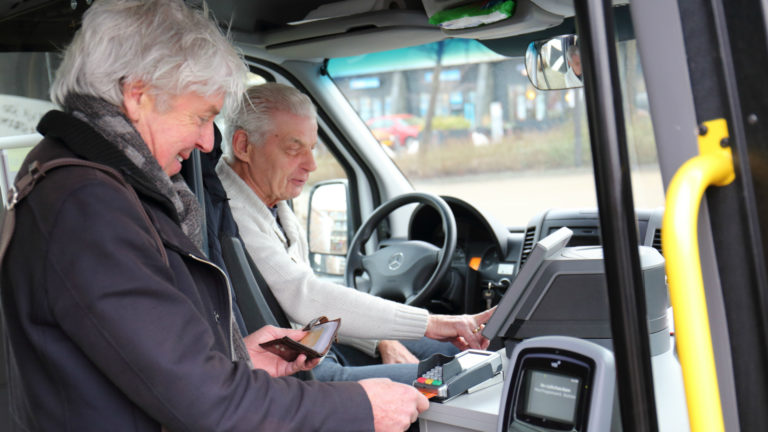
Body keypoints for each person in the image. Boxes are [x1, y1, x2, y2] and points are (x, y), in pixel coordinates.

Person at [0, 1, 428, 431]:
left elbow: (142, 355)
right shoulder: (89, 206)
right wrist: (359, 407)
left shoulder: (85, 182)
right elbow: (206, 403)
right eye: (202, 117)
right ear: (138, 96)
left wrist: (237, 355)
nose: (208, 143)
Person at [216, 83, 495, 384]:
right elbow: (306, 297)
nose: (311, 165)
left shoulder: (274, 204)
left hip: (319, 347)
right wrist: (432, 322)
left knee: (471, 360)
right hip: (299, 372)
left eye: (312, 149)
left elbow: (314, 313)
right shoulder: (231, 213)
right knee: (458, 379)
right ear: (243, 146)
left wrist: (379, 341)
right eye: (293, 148)